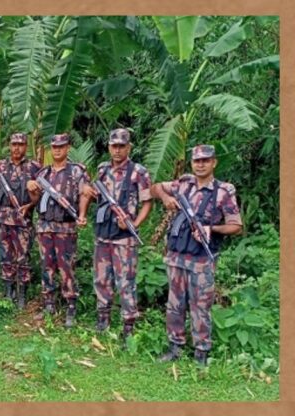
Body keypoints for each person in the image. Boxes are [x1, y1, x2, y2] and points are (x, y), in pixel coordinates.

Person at [151, 145, 243, 366]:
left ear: (214, 163)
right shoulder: (183, 184)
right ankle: (175, 347)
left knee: (200, 306)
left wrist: (212, 229)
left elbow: (236, 226)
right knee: (174, 304)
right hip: (176, 256)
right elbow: (154, 188)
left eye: (205, 160)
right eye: (197, 161)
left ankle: (201, 352)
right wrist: (165, 198)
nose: (200, 164)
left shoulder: (223, 191)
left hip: (202, 259)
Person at [89, 128, 153, 341]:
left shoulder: (138, 172)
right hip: (103, 234)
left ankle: (128, 325)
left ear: (128, 147)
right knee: (101, 279)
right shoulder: (102, 170)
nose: (117, 150)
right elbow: (95, 196)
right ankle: (103, 319)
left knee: (126, 282)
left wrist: (134, 223)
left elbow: (147, 202)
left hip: (124, 238)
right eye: (114, 146)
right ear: (109, 147)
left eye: (121, 146)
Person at [30, 133, 91, 327]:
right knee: (47, 265)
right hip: (45, 226)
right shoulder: (43, 174)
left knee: (67, 267)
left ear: (67, 148)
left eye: (61, 146)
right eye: (54, 146)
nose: (57, 149)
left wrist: (81, 214)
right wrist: (32, 187)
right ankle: (49, 303)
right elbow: (35, 200)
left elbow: (85, 193)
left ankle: (70, 306)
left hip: (66, 227)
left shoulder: (76, 172)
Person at [0, 133, 41, 309]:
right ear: (9, 145)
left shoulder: (34, 167)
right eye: (14, 144)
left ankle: (22, 294)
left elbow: (40, 195)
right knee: (6, 256)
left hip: (22, 218)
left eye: (21, 144)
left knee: (23, 257)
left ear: (26, 146)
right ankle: (8, 292)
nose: (17, 148)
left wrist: (30, 205)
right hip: (4, 218)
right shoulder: (1, 166)